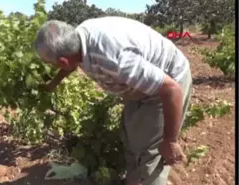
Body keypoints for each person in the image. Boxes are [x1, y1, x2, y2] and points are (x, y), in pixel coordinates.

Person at [33, 16, 192, 185]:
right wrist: (53, 83)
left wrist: (170, 141)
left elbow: (171, 90)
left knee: (151, 154)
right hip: (139, 85)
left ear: (62, 61)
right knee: (130, 138)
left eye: (52, 64)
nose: (53, 67)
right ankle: (134, 181)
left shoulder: (115, 61)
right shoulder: (78, 38)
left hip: (167, 85)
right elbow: (71, 62)